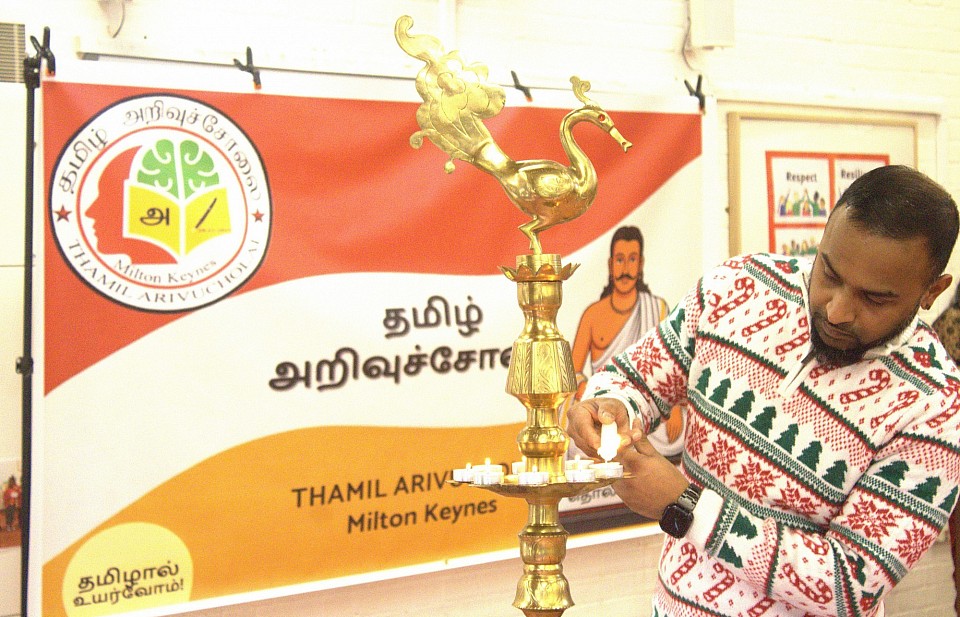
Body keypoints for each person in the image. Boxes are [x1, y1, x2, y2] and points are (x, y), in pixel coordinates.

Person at [567, 165, 960, 617]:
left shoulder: (936, 409)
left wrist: (687, 506)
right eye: (829, 272)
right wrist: (609, 405)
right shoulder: (739, 287)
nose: (836, 310)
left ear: (932, 291)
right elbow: (634, 378)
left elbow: (849, 584)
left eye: (874, 299)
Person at [570, 225, 683, 457]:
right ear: (610, 265)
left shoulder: (657, 308)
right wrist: (589, 396)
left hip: (650, 414)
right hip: (603, 410)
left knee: (687, 426)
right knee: (577, 436)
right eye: (620, 260)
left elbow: (675, 369)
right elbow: (572, 371)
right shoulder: (593, 314)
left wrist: (674, 409)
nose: (625, 269)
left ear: (640, 264)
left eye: (632, 260)